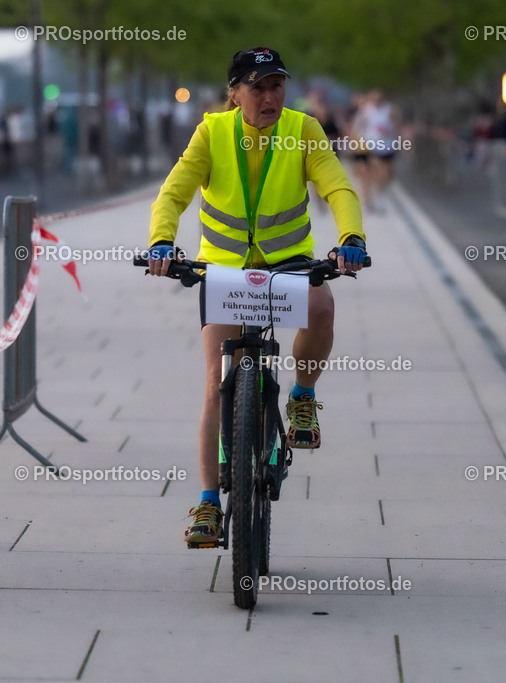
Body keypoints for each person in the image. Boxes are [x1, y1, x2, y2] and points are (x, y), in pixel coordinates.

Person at [145, 47, 368, 548]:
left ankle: (303, 398)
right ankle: (208, 502)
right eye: (257, 87)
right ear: (234, 93)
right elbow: (174, 192)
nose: (270, 97)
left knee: (322, 305)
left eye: (277, 86)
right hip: (224, 269)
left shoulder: (303, 128)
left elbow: (338, 188)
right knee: (213, 383)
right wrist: (162, 240)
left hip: (289, 262)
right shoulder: (212, 132)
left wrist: (351, 238)